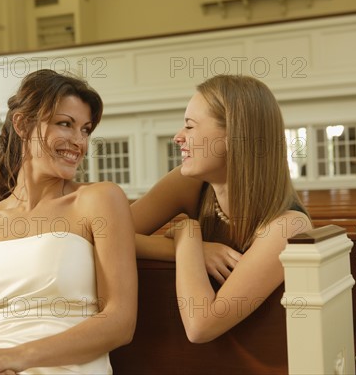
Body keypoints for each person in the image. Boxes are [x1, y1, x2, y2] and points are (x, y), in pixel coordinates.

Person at [0, 69, 138, 375]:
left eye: (85, 130)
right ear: (22, 123)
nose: (78, 141)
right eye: (65, 124)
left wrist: (16, 358)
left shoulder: (99, 200)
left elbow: (119, 322)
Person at [131, 74, 312, 343]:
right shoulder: (187, 183)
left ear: (233, 138)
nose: (178, 137)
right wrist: (197, 248)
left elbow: (201, 326)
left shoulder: (288, 226)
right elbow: (104, 235)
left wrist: (187, 234)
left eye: (190, 127)